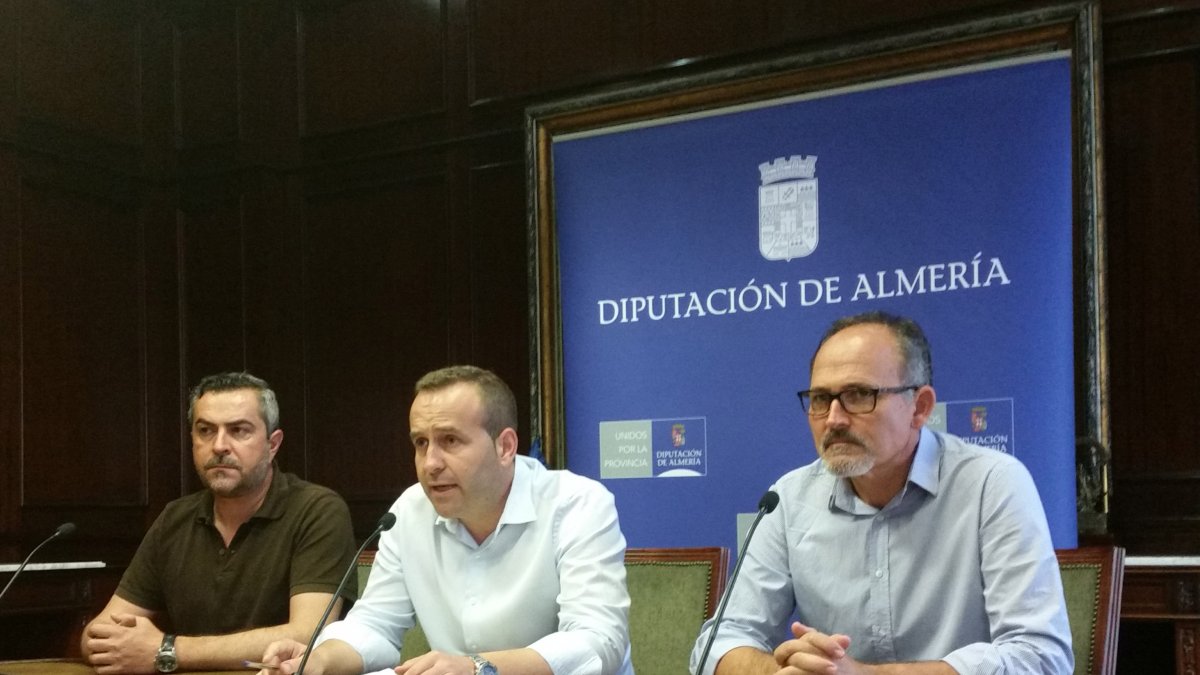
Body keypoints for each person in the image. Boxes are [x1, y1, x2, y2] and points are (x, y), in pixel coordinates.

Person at [691, 311, 1072, 675]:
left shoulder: (992, 484)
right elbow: (719, 643)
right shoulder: (788, 499)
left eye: (859, 395)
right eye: (821, 399)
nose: (835, 419)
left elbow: (1041, 659)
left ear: (919, 407)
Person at [258, 365, 633, 675]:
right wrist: (317, 661)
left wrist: (479, 668)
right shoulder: (409, 511)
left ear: (505, 446)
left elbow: (597, 641)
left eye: (450, 440)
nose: (430, 463)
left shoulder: (577, 504)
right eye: (421, 443)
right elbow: (375, 625)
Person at [82, 372, 358, 674]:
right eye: (205, 430)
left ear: (273, 443)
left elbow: (309, 634)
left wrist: (167, 650)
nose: (219, 446)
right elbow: (97, 633)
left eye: (239, 430)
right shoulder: (175, 518)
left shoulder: (317, 510)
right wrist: (109, 643)